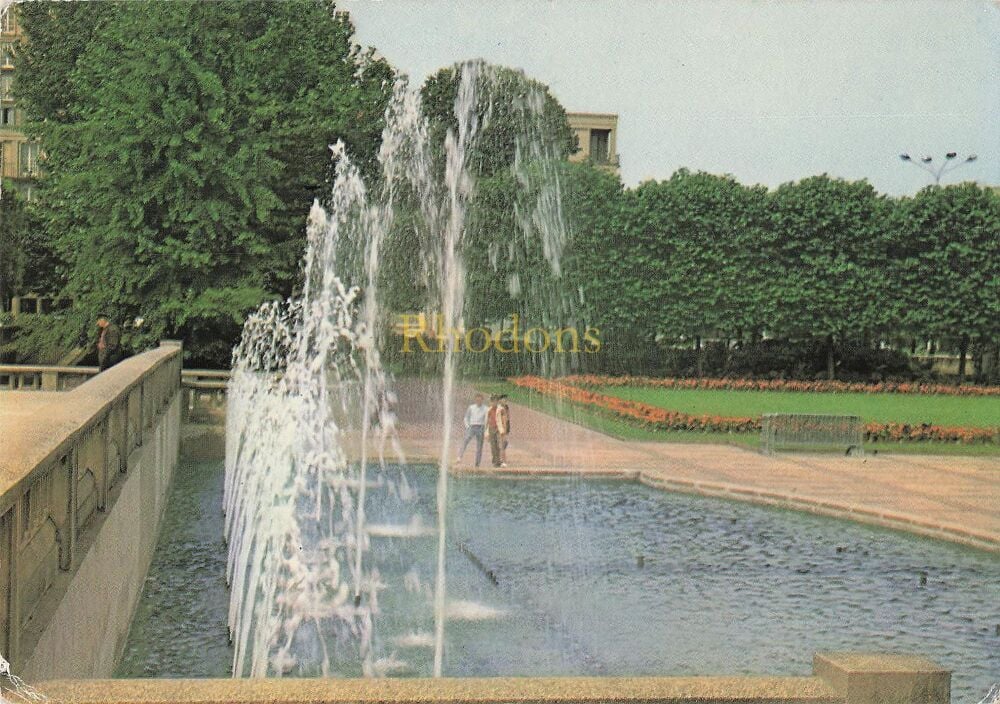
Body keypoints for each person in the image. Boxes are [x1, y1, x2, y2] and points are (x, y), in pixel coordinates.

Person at [457, 393, 488, 467]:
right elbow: (466, 418)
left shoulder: (486, 408)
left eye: (480, 400)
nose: (478, 401)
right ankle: (459, 457)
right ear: (475, 400)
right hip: (472, 427)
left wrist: (486, 429)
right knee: (465, 441)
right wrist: (467, 426)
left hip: (481, 427)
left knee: (479, 446)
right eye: (477, 400)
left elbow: (487, 419)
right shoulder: (471, 407)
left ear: (482, 400)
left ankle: (477, 463)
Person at [485, 394, 508, 468]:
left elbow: (504, 420)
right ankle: (496, 461)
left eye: (495, 401)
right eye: (492, 401)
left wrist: (504, 430)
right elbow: (487, 422)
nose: (494, 403)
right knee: (493, 446)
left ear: (497, 402)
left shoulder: (501, 409)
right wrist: (486, 432)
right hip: (491, 429)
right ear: (490, 402)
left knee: (500, 446)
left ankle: (503, 461)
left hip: (499, 429)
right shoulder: (489, 410)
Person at [499, 394, 511, 464]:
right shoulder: (499, 408)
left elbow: (508, 417)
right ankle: (502, 459)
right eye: (504, 399)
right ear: (500, 400)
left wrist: (507, 425)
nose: (505, 401)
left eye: (506, 400)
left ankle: (501, 457)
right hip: (500, 426)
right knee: (503, 443)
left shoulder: (506, 407)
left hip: (506, 425)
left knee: (504, 442)